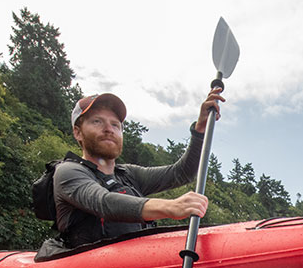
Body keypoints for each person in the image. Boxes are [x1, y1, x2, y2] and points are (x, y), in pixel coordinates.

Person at [52, 88, 224, 249]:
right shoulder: (68, 172)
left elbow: (182, 173)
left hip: (134, 261)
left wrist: (200, 130)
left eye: (115, 125)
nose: (108, 129)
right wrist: (170, 207)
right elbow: (103, 202)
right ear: (78, 132)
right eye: (97, 122)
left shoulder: (128, 174)